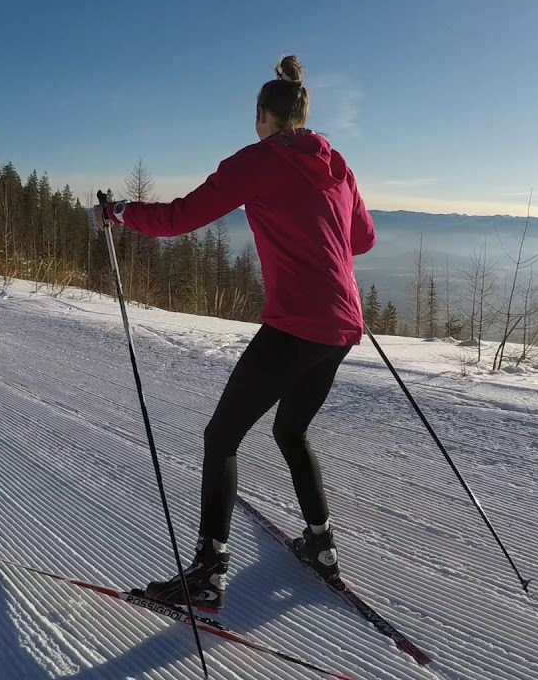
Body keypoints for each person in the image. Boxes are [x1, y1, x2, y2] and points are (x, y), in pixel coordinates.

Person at [93, 55, 376, 612]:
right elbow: (361, 239)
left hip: (295, 325)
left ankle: (207, 572)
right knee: (290, 430)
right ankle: (321, 547)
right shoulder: (338, 164)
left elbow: (178, 218)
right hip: (341, 326)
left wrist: (120, 212)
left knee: (221, 438)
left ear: (261, 115)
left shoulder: (255, 161)